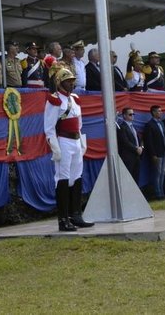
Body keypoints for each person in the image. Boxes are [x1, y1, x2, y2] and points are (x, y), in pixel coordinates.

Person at [43, 66, 93, 231]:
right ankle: (63, 219)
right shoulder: (54, 99)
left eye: (72, 81)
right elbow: (49, 127)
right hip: (63, 141)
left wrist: (82, 140)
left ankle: (76, 215)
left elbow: (79, 123)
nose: (71, 84)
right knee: (63, 179)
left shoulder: (75, 98)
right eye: (67, 81)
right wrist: (54, 147)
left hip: (76, 141)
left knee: (76, 177)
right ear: (59, 83)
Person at [144, 105, 165, 199]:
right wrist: (153, 154)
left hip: (164, 151)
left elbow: (164, 137)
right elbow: (149, 141)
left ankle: (162, 191)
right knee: (157, 173)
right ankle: (158, 193)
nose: (160, 113)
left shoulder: (161, 123)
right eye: (158, 111)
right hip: (157, 153)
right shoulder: (149, 125)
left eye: (161, 111)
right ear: (153, 112)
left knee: (162, 172)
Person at [117, 106, 143, 183]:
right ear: (124, 115)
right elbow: (125, 141)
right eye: (130, 114)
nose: (132, 116)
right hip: (128, 157)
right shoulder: (122, 127)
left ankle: (135, 194)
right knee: (129, 177)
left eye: (133, 114)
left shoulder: (133, 126)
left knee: (136, 177)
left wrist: (141, 147)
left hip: (137, 156)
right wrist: (136, 149)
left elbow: (138, 140)